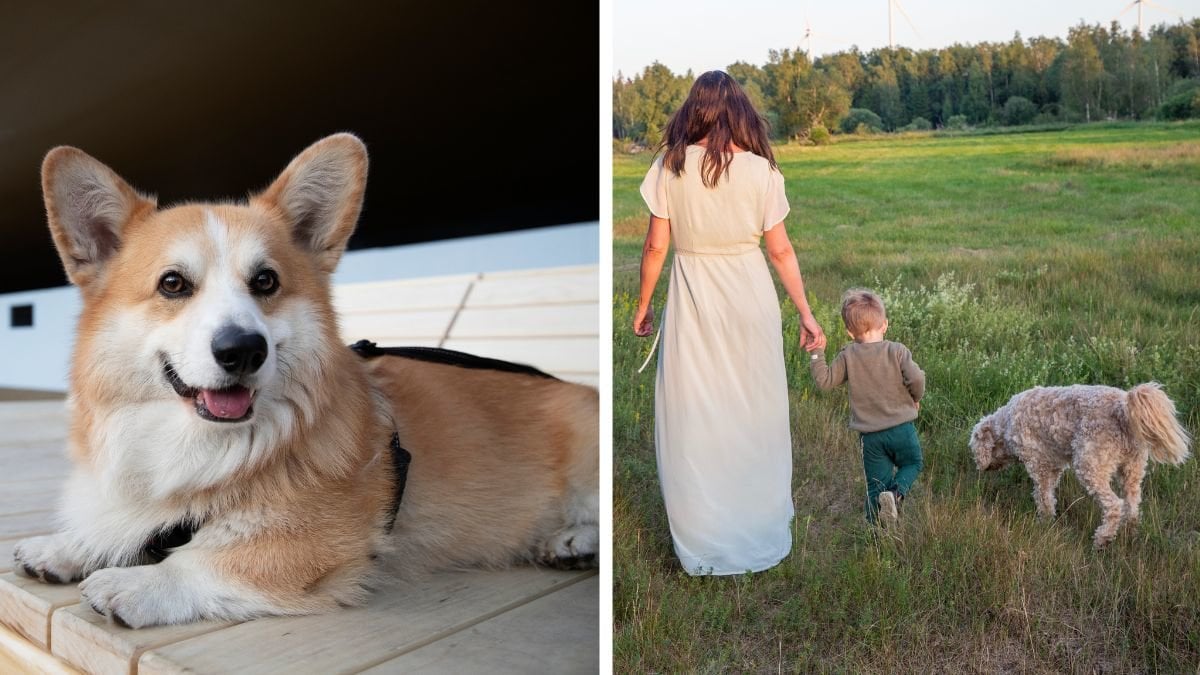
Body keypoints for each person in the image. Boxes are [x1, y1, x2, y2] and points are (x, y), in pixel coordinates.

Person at [634, 70, 825, 575]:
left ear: (691, 110)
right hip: (749, 294)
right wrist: (805, 313)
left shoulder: (670, 166)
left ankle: (705, 535)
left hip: (694, 298)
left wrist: (643, 304)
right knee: (753, 408)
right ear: (740, 111)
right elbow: (780, 251)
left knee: (695, 412)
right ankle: (756, 523)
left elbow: (657, 246)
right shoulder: (761, 171)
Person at [807, 289, 925, 524]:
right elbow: (917, 379)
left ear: (850, 333)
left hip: (870, 438)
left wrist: (816, 353)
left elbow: (825, 381)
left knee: (875, 486)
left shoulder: (848, 355)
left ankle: (875, 535)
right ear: (885, 325)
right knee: (913, 463)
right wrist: (916, 398)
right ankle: (896, 494)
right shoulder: (897, 350)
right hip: (902, 429)